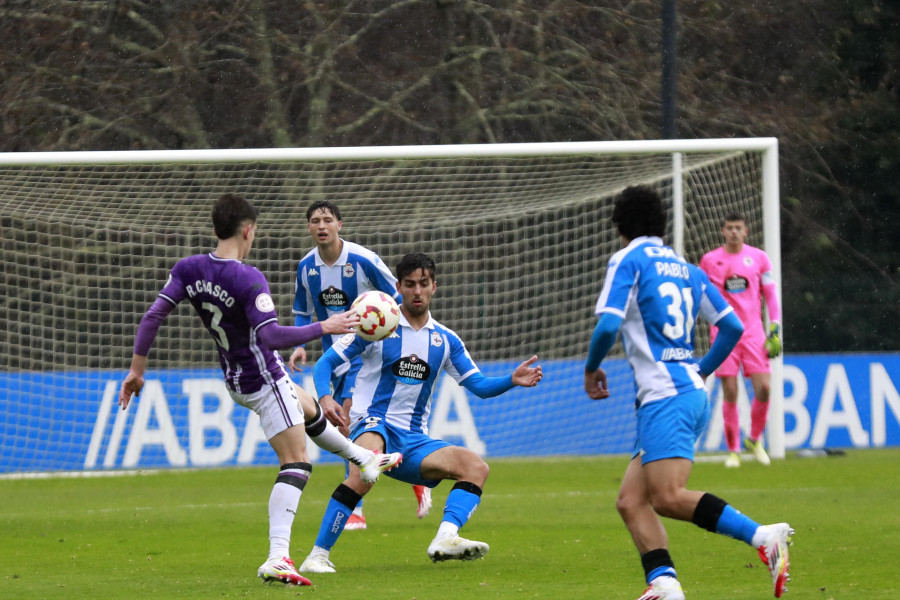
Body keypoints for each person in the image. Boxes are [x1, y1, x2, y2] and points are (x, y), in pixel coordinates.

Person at [117, 193, 401, 587]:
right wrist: (326, 326)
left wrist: (136, 370)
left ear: (216, 228)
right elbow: (272, 335)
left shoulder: (188, 268)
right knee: (297, 463)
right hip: (262, 379)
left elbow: (153, 316)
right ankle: (278, 557)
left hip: (236, 376)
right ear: (247, 231)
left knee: (310, 409)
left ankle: (363, 459)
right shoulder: (248, 278)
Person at [583, 187, 793, 599]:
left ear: (620, 226)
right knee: (631, 501)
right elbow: (731, 327)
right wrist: (698, 370)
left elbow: (608, 325)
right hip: (683, 392)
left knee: (667, 496)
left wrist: (591, 370)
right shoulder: (687, 269)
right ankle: (664, 584)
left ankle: (764, 537)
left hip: (665, 398)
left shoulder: (627, 259)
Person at [298, 252, 543, 573]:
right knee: (367, 466)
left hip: (413, 440)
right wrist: (326, 396)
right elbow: (327, 362)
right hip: (372, 424)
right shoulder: (377, 323)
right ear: (398, 287)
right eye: (410, 284)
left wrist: (511, 379)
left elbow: (479, 385)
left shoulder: (446, 340)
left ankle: (446, 537)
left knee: (475, 467)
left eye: (423, 284)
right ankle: (317, 555)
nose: (417, 291)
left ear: (434, 287)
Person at [289, 200, 432, 529]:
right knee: (345, 426)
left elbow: (397, 295)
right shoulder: (306, 267)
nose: (321, 225)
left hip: (368, 352)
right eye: (314, 221)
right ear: (309, 228)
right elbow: (302, 308)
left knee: (350, 418)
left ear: (340, 224)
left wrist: (387, 327)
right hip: (335, 357)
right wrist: (299, 344)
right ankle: (415, 478)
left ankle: (355, 507)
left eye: (327, 219)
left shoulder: (363, 260)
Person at [699, 212, 782, 468]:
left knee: (765, 389)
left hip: (754, 333)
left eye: (738, 228)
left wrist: (774, 327)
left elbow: (770, 293)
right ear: (723, 231)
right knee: (730, 391)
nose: (734, 232)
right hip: (724, 333)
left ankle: (754, 439)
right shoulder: (710, 260)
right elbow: (704, 298)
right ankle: (733, 450)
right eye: (729, 228)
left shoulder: (758, 258)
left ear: (746, 231)